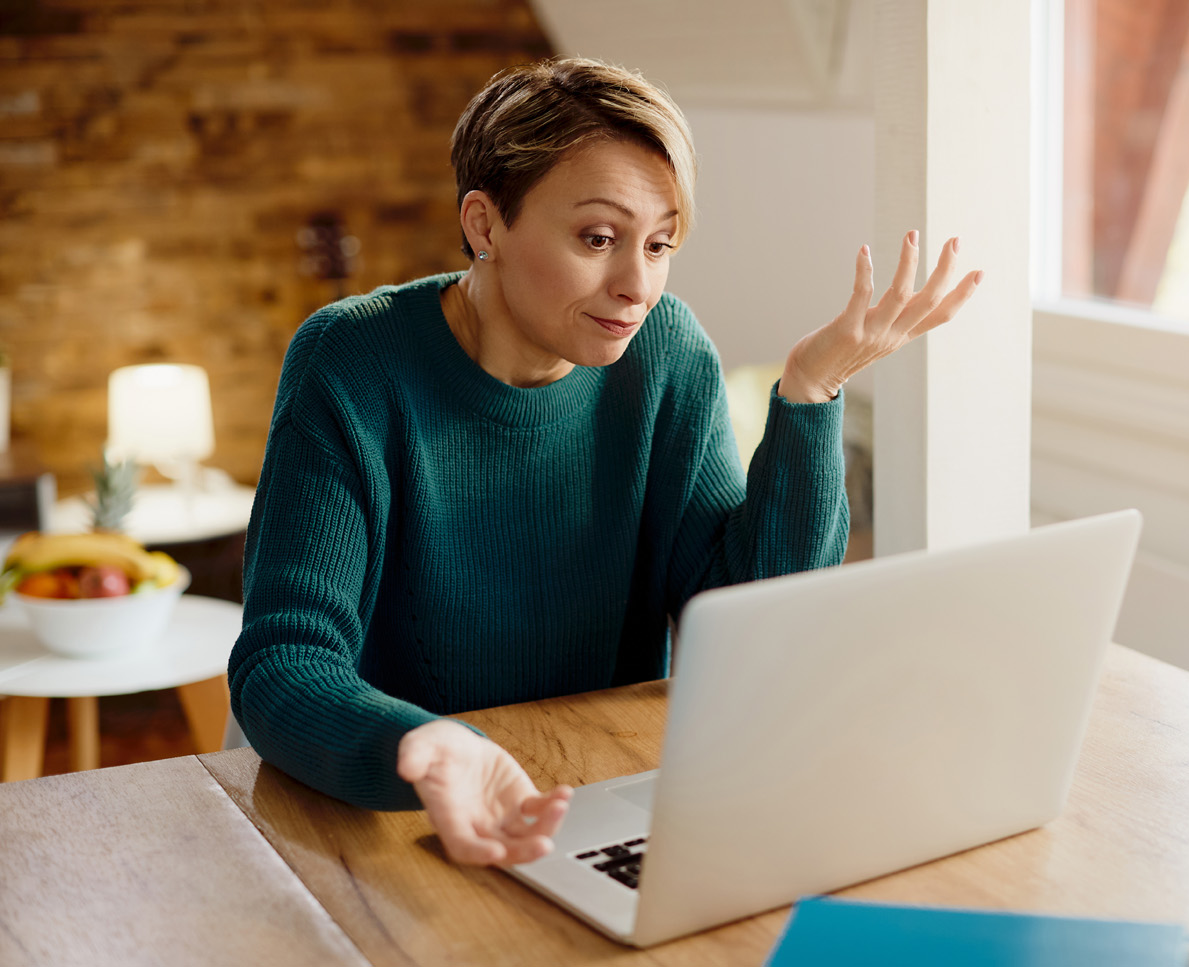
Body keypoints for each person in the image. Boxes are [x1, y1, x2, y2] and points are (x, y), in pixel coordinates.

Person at [228, 56, 983, 869]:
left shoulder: (665, 351)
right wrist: (428, 749)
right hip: (398, 817)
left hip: (595, 800)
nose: (638, 284)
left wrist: (811, 392)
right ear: (485, 226)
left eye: (660, 243)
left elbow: (750, 616)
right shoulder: (351, 363)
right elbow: (284, 661)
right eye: (598, 238)